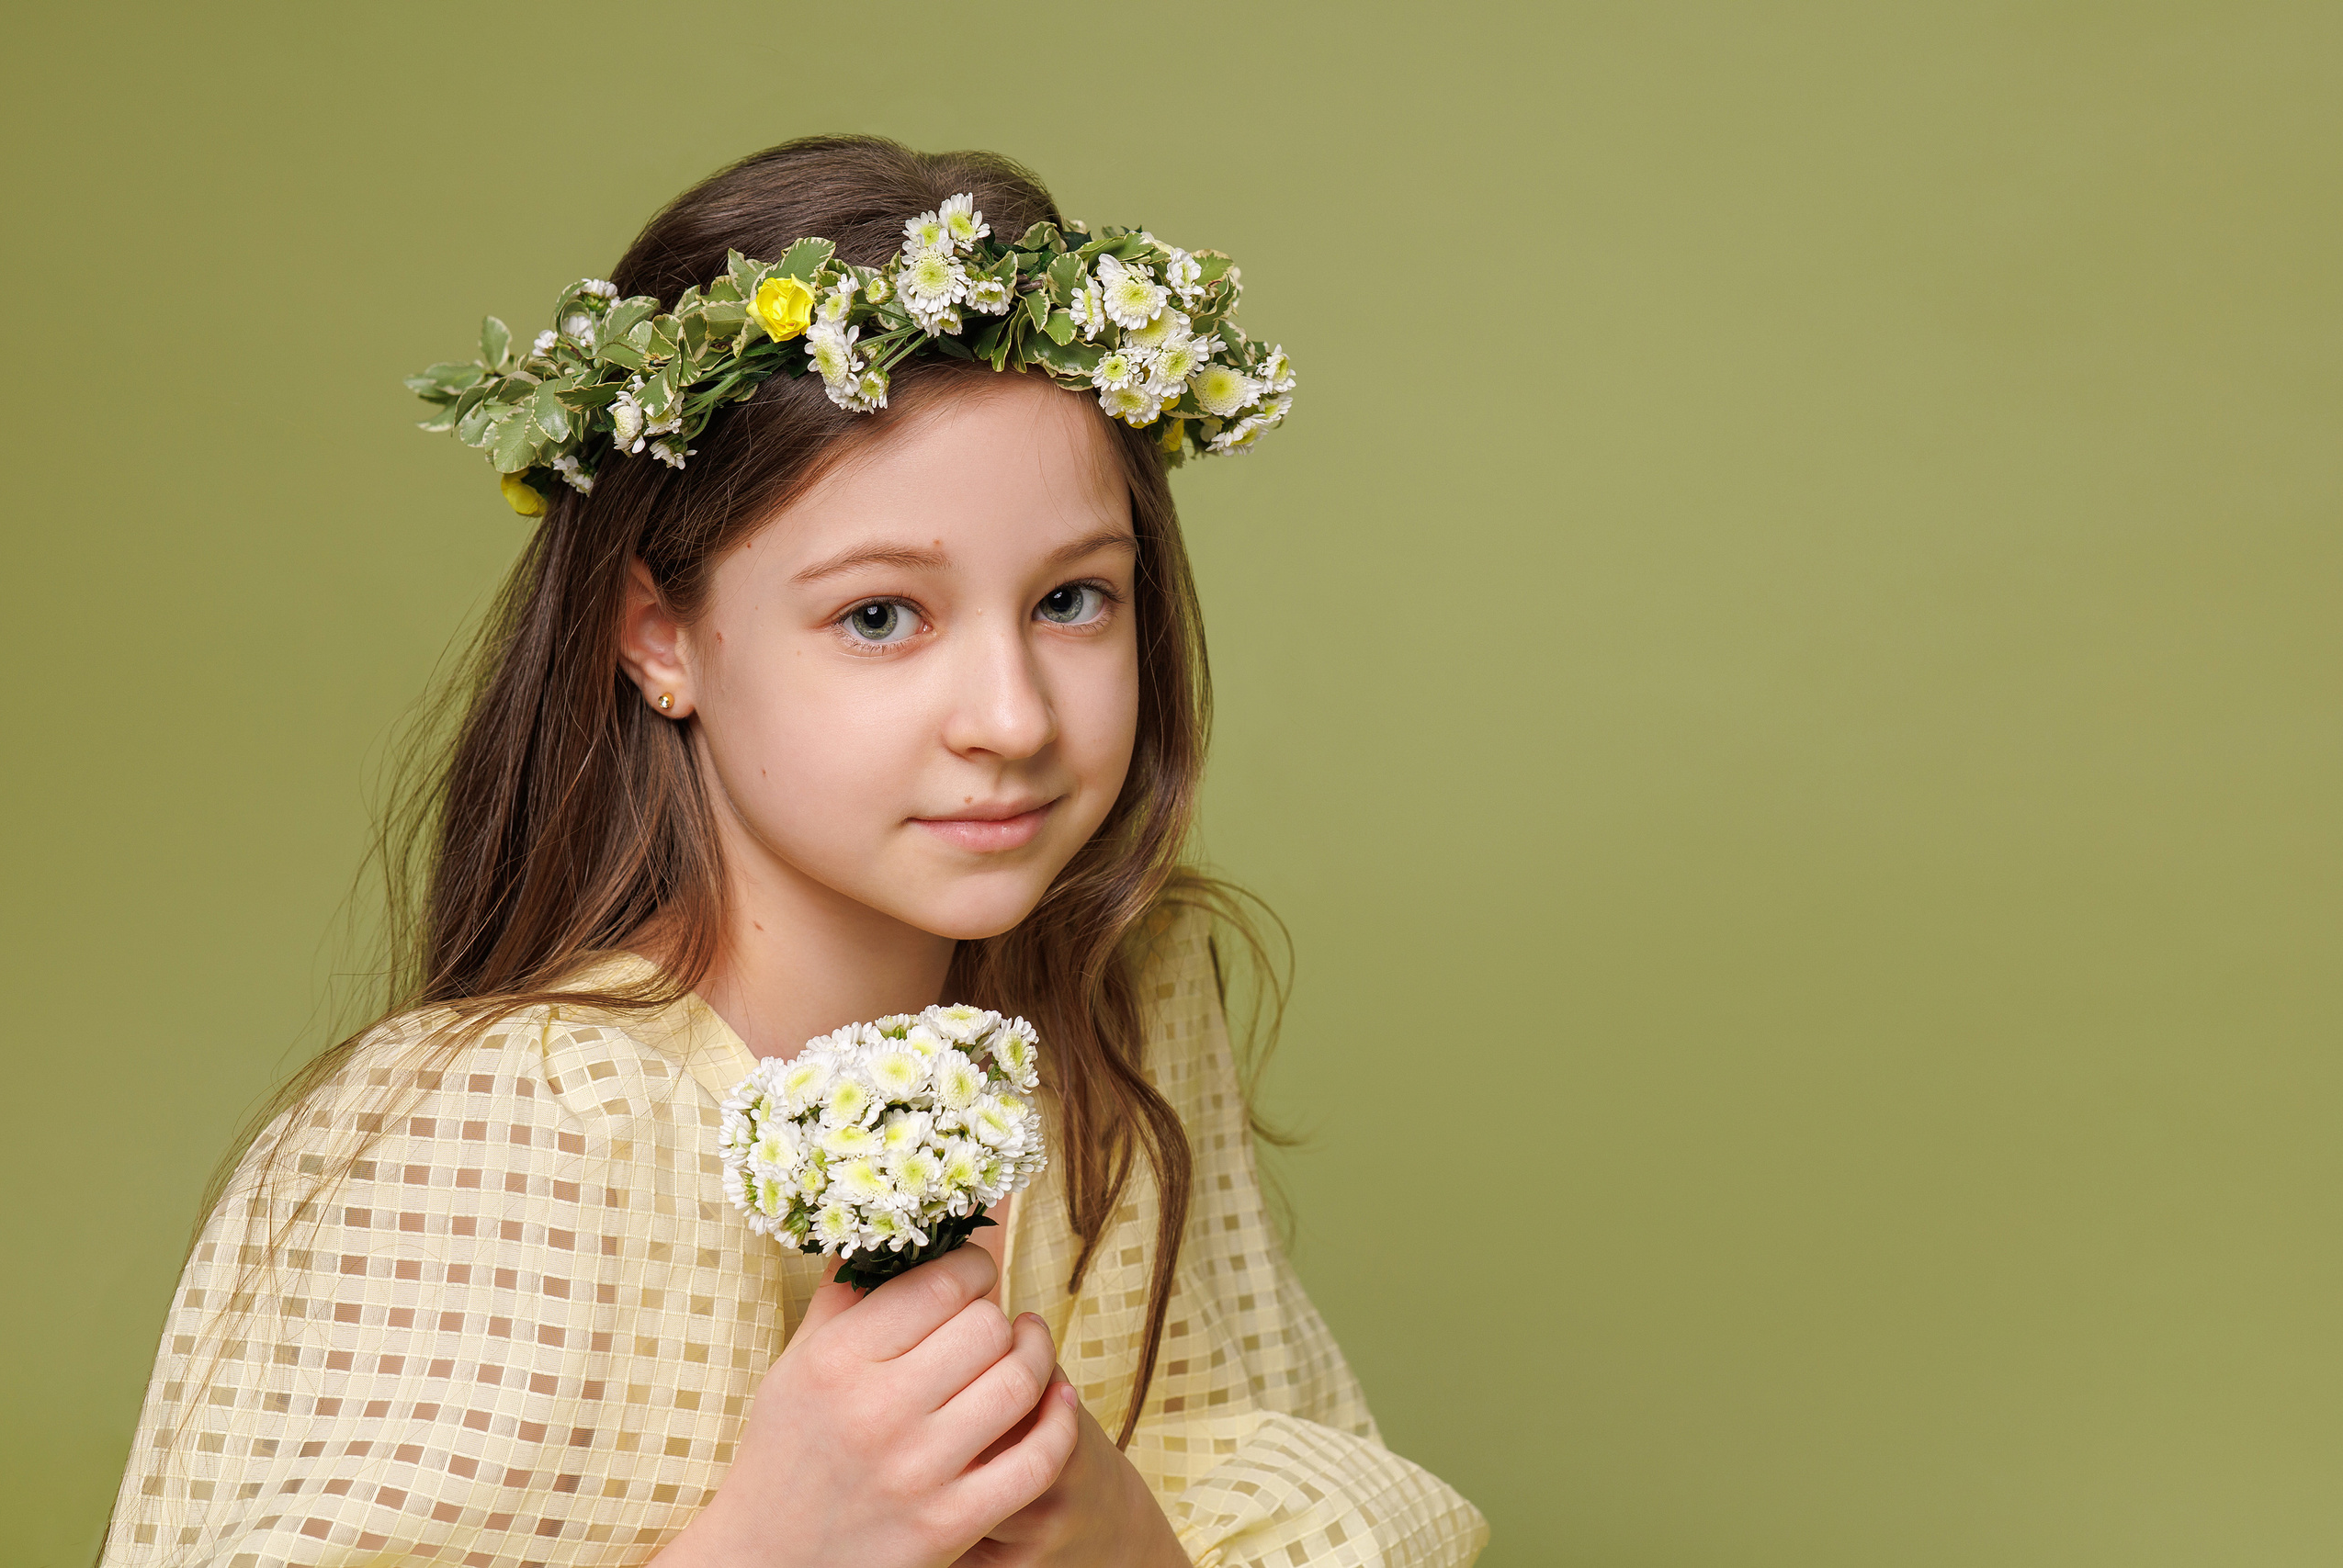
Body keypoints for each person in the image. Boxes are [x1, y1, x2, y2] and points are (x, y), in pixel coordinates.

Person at [101, 136, 1488, 1568]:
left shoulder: (1117, 997)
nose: (1011, 720)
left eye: (1074, 599)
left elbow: (1263, 1448)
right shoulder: (522, 1119)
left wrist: (1124, 1544)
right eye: (881, 617)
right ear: (657, 636)